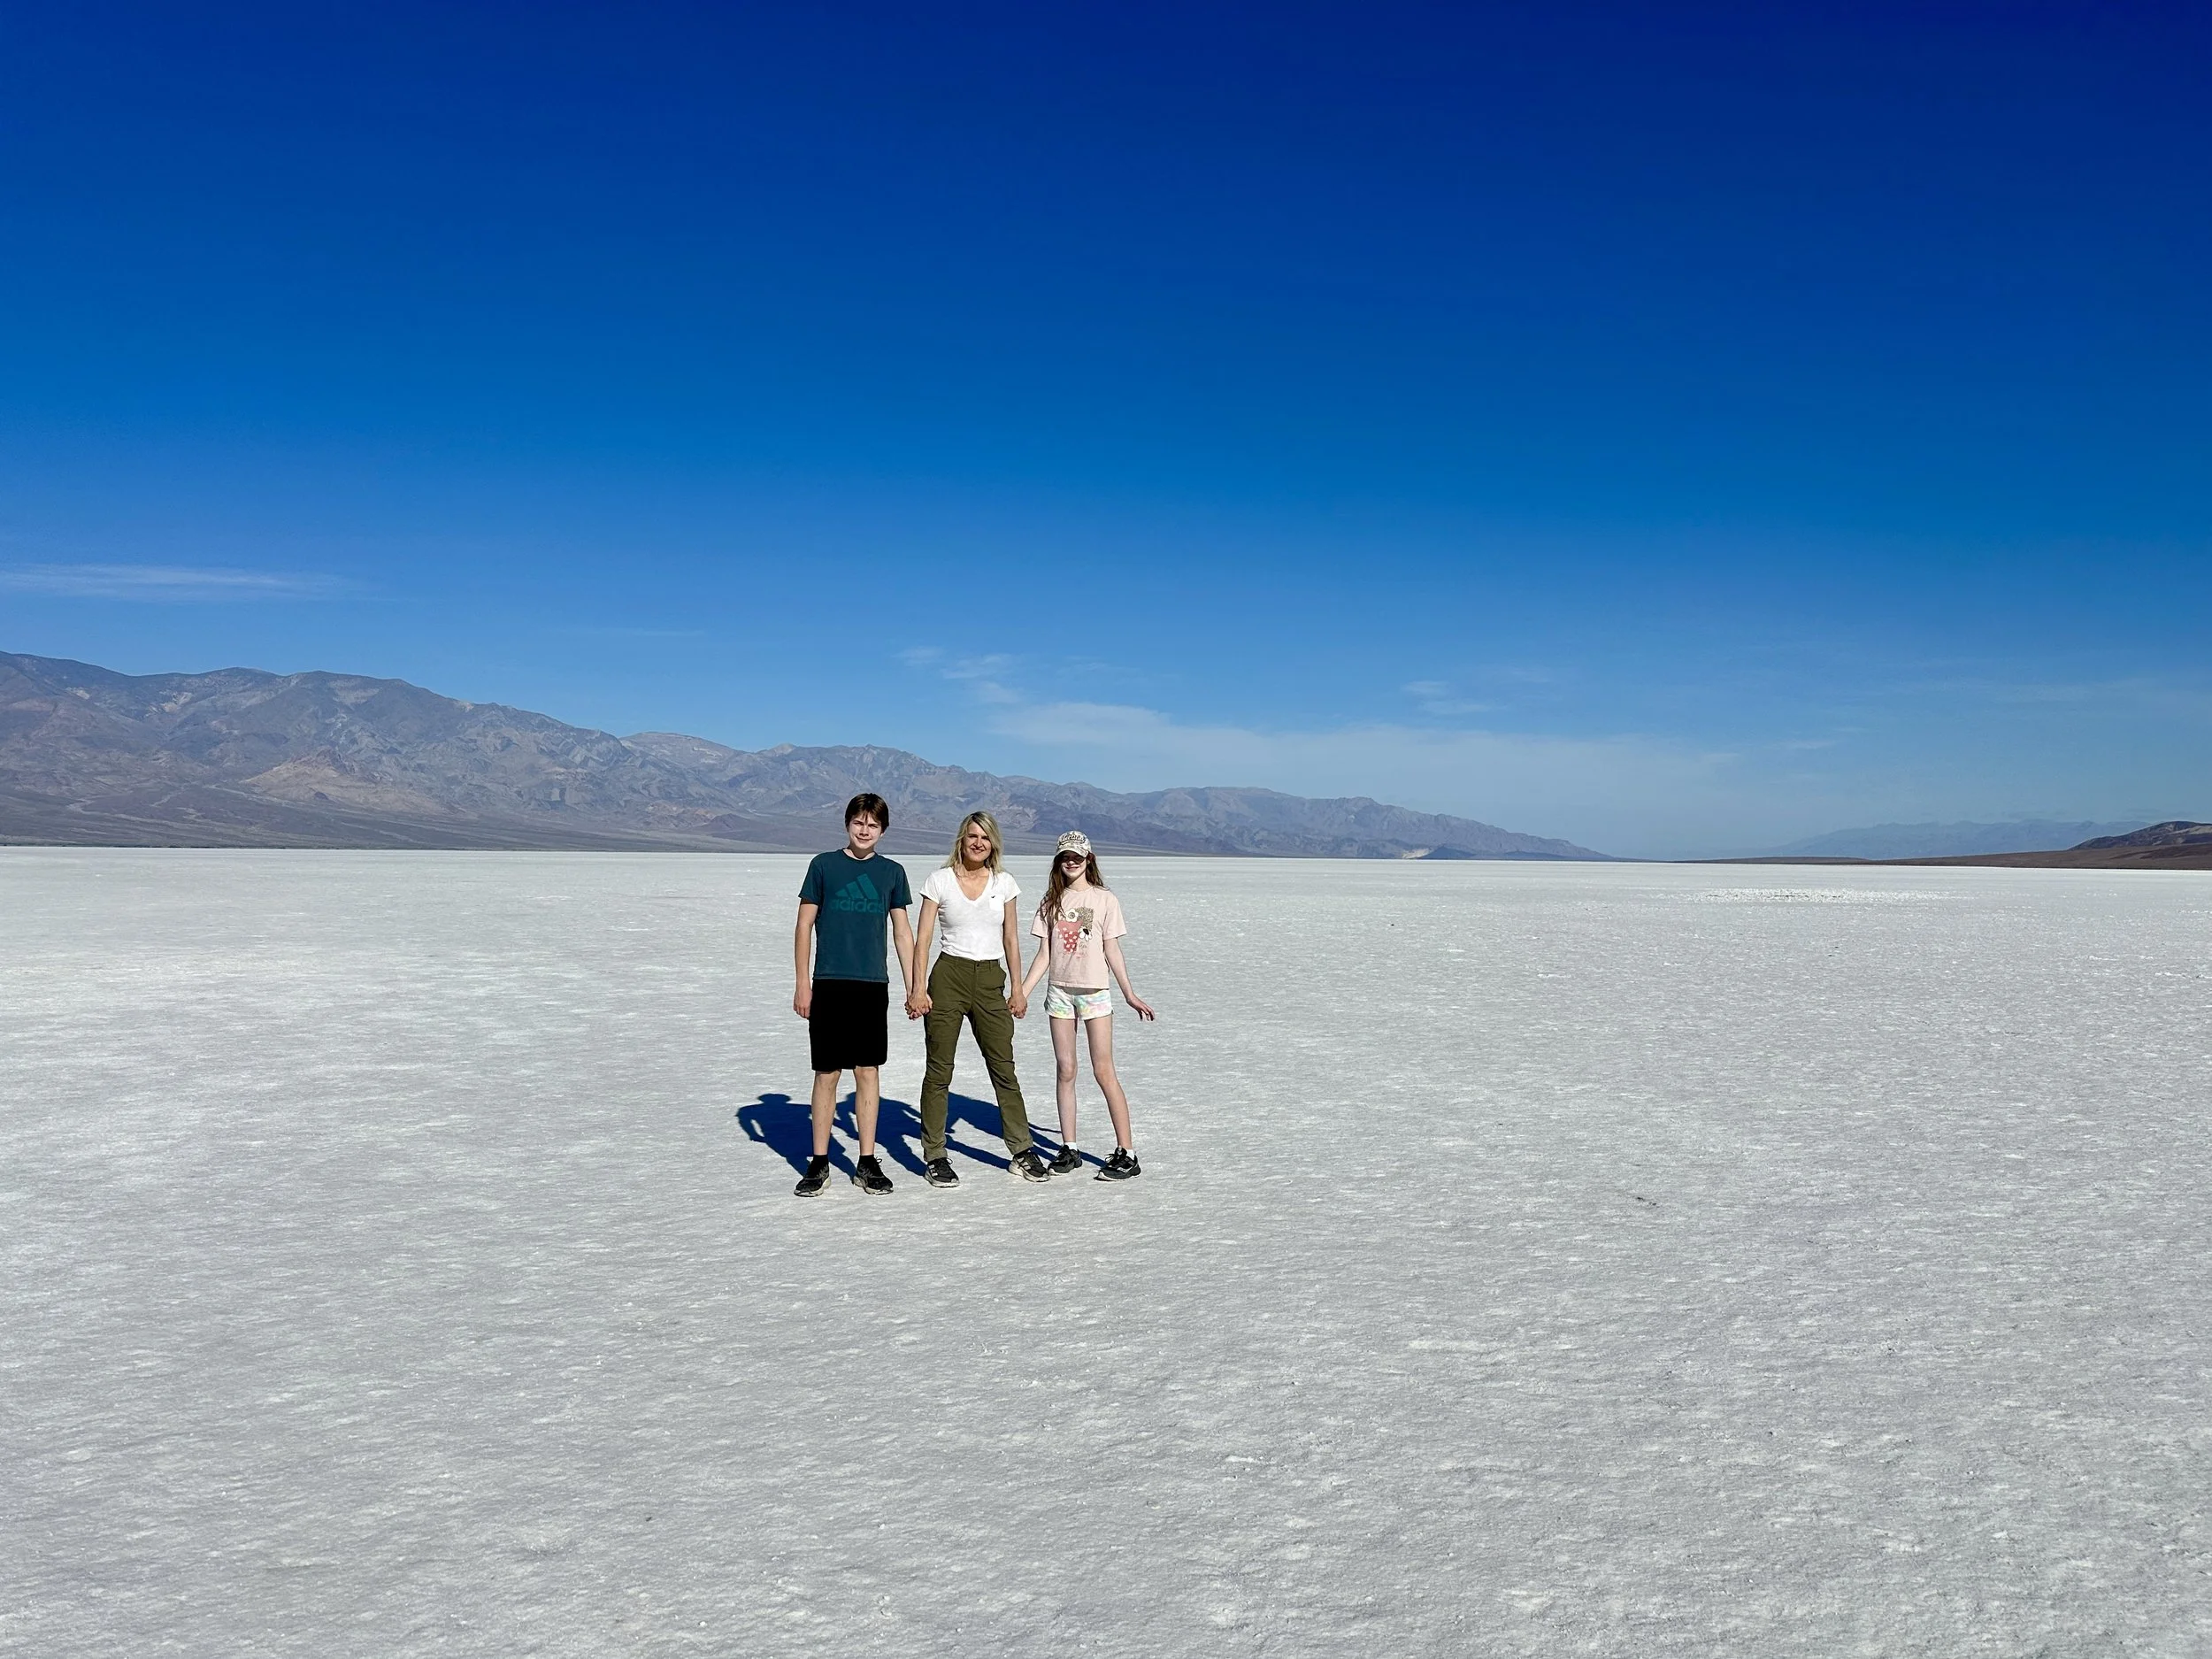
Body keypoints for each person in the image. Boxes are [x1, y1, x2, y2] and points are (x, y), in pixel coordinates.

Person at [909, 811, 1053, 1187]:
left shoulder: (1004, 883)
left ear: (993, 844)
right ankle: (935, 1154)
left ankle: (1022, 1150)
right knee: (939, 1070)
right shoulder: (939, 881)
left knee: (1003, 1068)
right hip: (948, 976)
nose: (978, 843)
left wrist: (1018, 989)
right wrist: (918, 988)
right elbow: (923, 939)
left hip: (990, 979)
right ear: (962, 839)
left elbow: (1011, 939)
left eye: (985, 838)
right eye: (973, 836)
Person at [791, 793, 918, 1197]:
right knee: (827, 1072)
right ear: (847, 823)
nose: (865, 830)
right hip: (829, 982)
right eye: (859, 822)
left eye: (873, 825)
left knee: (867, 1070)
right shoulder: (823, 866)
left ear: (883, 830)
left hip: (871, 985)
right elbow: (804, 926)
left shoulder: (892, 872)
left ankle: (866, 1161)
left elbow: (902, 932)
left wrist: (915, 984)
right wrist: (803, 983)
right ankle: (819, 1161)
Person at [1018, 830, 1156, 1180]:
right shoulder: (1051, 901)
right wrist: (1022, 992)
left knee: (1103, 1070)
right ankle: (1070, 1147)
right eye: (1065, 856)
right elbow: (1045, 954)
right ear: (1058, 860)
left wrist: (1129, 994)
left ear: (1088, 859)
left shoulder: (1104, 899)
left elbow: (1112, 949)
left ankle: (1127, 1152)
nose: (1071, 861)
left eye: (1077, 856)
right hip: (1060, 992)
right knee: (1065, 1069)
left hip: (1095, 992)